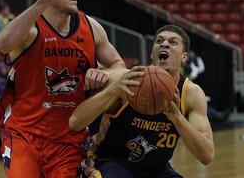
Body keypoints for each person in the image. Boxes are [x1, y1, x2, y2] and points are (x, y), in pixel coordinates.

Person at [0, 0, 125, 178]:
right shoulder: (31, 28)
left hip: (69, 139)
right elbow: (3, 44)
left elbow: (118, 64)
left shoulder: (91, 28)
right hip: (25, 134)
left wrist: (107, 73)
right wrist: (42, 2)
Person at [69, 24, 215, 178]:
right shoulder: (125, 79)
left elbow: (207, 156)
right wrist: (113, 90)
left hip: (157, 169)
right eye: (159, 41)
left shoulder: (191, 93)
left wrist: (178, 118)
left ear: (184, 57)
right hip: (111, 162)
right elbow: (75, 122)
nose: (164, 44)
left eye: (173, 42)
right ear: (152, 54)